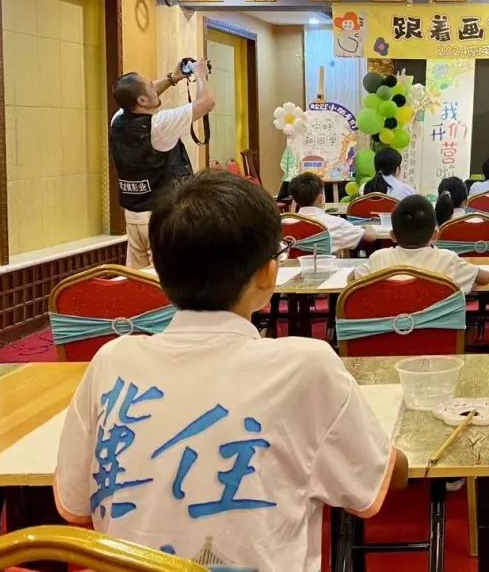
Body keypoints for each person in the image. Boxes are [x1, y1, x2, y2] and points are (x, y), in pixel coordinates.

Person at [54, 171, 408, 571]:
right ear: (269, 273)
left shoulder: (112, 359)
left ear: (160, 275)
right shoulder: (307, 366)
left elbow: (76, 502)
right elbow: (378, 479)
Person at [109, 58, 216, 269]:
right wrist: (200, 74)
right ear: (141, 100)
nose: (154, 86)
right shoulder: (158, 126)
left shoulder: (118, 119)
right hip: (160, 216)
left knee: (139, 278)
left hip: (134, 215)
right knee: (166, 275)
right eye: (150, 85)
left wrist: (173, 78)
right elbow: (207, 102)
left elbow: (145, 96)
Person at [349, 195, 489, 294]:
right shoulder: (448, 259)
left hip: (389, 328)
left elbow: (351, 278)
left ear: (392, 236)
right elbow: (485, 278)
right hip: (435, 330)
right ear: (435, 235)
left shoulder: (378, 258)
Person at [288, 172, 376, 252]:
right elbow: (370, 237)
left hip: (291, 265)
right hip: (325, 265)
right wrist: (367, 225)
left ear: (295, 199)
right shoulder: (337, 223)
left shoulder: (284, 223)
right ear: (320, 198)